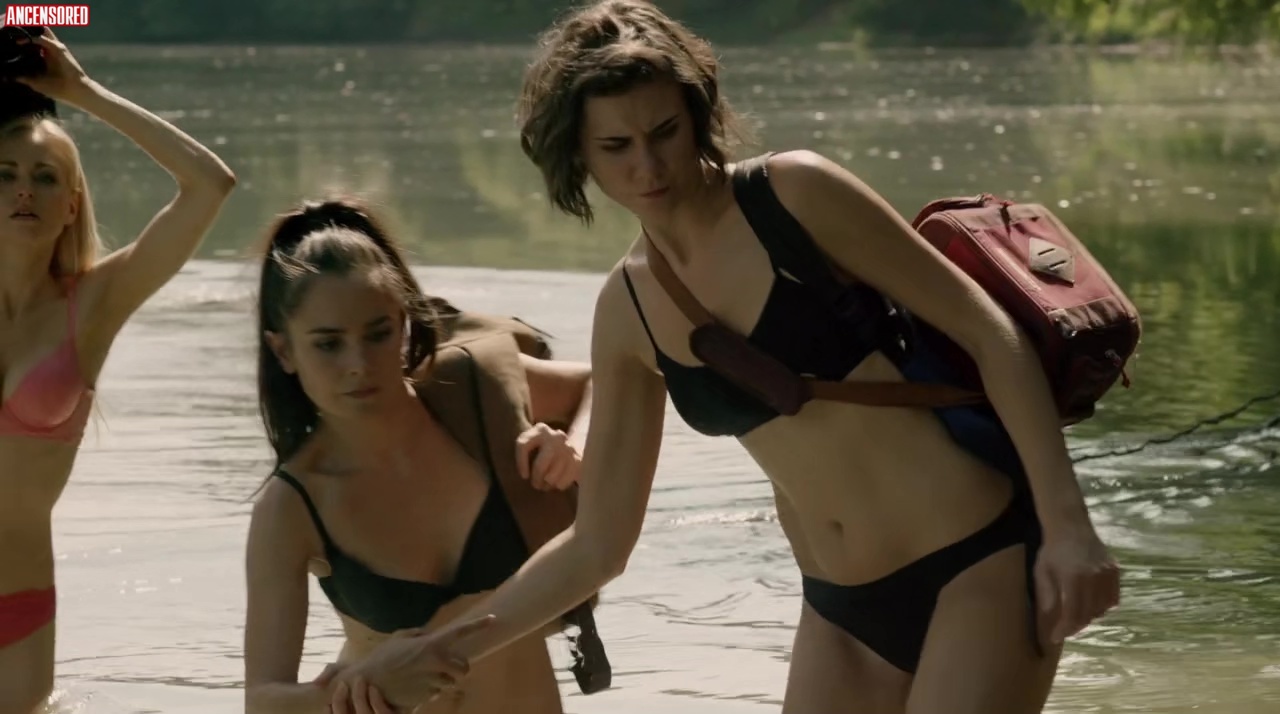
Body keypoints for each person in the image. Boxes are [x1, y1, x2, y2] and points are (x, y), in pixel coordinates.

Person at [327, 1, 1122, 712]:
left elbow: (990, 333)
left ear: (696, 112)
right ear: (580, 156)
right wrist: (439, 650)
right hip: (841, 608)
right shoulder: (629, 310)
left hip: (977, 558)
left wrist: (1069, 529)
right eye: (616, 146)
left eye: (664, 133)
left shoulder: (796, 197)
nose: (647, 167)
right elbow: (598, 545)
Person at [242, 198, 599, 714]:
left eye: (378, 334)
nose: (358, 363)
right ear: (284, 351)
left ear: (404, 322)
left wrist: (576, 446)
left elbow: (605, 383)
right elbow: (262, 701)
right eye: (328, 344)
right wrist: (359, 688)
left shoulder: (470, 391)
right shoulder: (292, 504)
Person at [0, 29, 236, 712]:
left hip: (19, 604)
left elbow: (209, 185)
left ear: (71, 204)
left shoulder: (94, 305)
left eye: (46, 177)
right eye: (5, 174)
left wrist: (81, 92)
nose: (24, 189)